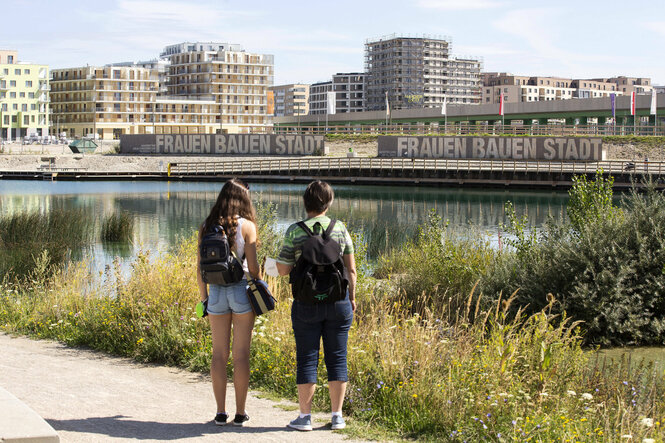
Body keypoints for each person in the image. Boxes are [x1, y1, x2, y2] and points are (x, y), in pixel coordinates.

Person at [275, 180, 357, 431]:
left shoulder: (294, 231)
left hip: (306, 303)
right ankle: (337, 416)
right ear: (329, 202)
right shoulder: (340, 228)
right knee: (337, 357)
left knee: (307, 358)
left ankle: (305, 417)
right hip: (338, 302)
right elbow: (351, 270)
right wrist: (352, 298)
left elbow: (283, 269)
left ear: (305, 202)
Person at [197, 178, 261, 427]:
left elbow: (200, 267)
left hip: (215, 293)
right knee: (241, 355)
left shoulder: (206, 226)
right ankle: (240, 413)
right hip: (241, 290)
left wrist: (204, 298)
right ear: (243, 199)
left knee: (218, 355)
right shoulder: (247, 226)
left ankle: (220, 412)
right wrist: (259, 283)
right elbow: (253, 268)